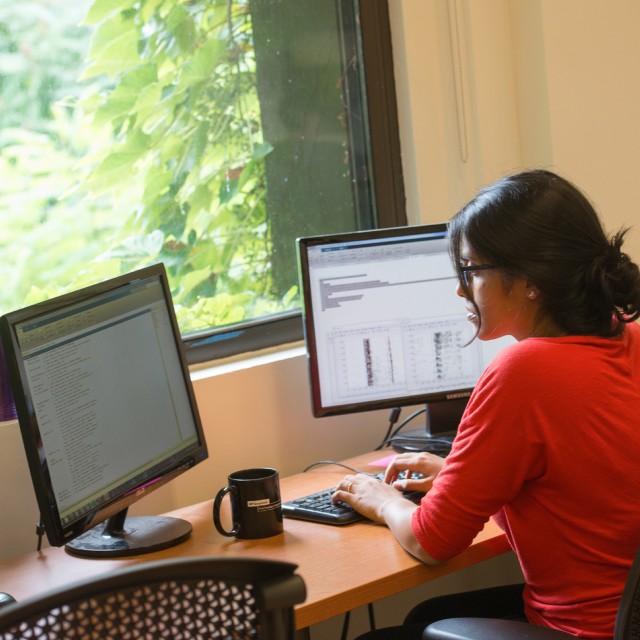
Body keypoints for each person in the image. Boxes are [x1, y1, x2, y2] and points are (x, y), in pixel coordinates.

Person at [333, 169, 640, 639]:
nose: (461, 288)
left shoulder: (525, 369)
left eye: (471, 270)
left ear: (529, 281)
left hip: (584, 631)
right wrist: (462, 478)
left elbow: (432, 542)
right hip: (622, 621)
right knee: (427, 618)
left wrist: (382, 500)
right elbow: (583, 487)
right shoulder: (630, 338)